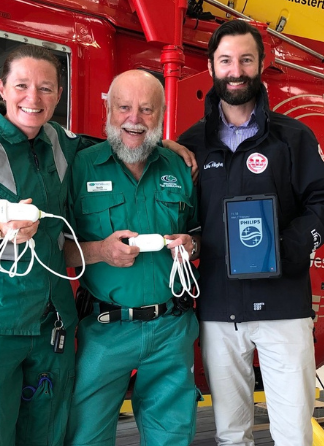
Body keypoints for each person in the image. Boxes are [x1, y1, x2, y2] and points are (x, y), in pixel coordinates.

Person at [0, 45, 196, 446]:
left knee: (46, 435)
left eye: (46, 88)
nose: (34, 98)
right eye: (22, 86)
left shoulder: (62, 144)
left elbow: (125, 134)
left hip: (51, 327)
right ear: (2, 88)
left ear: (59, 94)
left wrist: (162, 143)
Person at [177, 20, 324, 446]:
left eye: (245, 60)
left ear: (261, 64)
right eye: (226, 61)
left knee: (293, 433)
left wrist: (291, 246)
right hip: (219, 311)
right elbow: (180, 218)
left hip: (284, 309)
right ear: (212, 67)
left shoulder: (293, 138)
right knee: (231, 434)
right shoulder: (192, 143)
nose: (236, 70)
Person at [64, 70, 200, 446]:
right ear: (108, 108)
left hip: (171, 328)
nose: (134, 119)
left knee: (172, 438)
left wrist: (192, 245)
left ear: (162, 113)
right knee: (85, 438)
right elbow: (53, 249)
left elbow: (200, 232)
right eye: (124, 107)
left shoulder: (180, 168)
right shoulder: (78, 167)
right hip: (104, 330)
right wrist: (99, 251)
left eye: (146, 110)